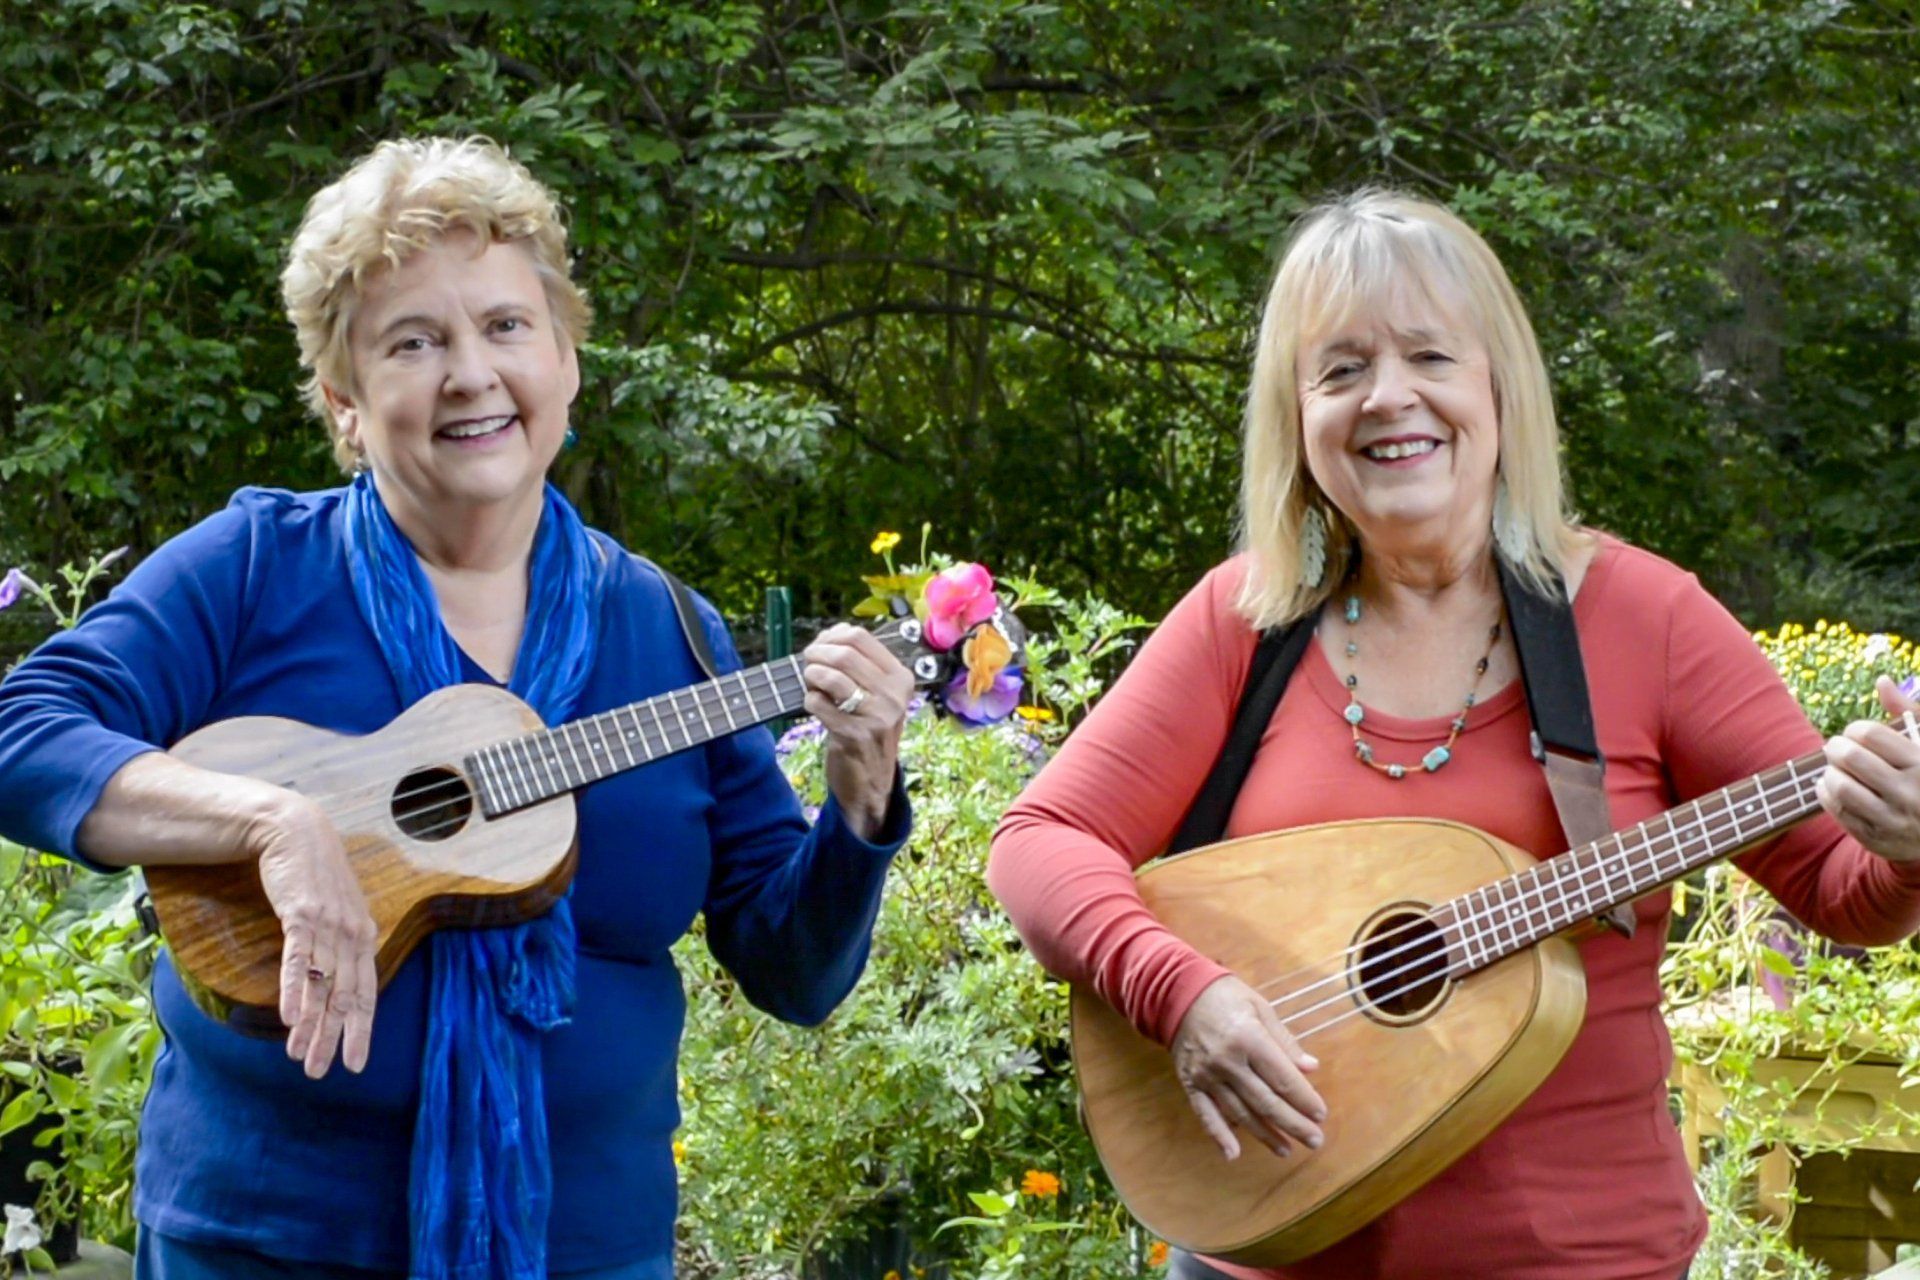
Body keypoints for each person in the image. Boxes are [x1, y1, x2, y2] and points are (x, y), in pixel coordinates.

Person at [0, 137, 915, 1279]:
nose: (471, 373)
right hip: (267, 1248)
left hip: (586, 1251)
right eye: (414, 341)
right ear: (344, 403)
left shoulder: (669, 632)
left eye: (505, 325)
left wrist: (862, 793)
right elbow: (23, 728)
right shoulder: (253, 569)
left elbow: (796, 972)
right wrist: (267, 821)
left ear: (568, 362)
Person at [986, 190, 1920, 1280]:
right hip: (1264, 1252)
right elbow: (1039, 837)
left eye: (1430, 355)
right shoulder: (1243, 623)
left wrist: (1908, 839)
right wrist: (1180, 992)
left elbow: (1844, 888)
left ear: (1497, 387)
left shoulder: (1647, 619)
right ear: (1296, 417)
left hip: (1580, 1261)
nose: (1388, 398)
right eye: (1339, 371)